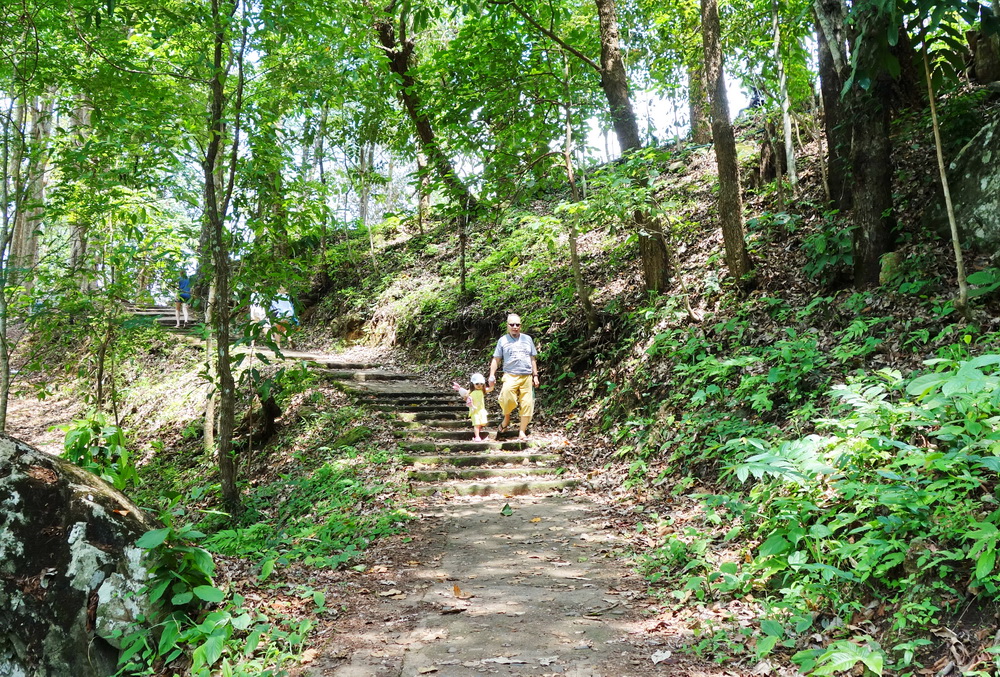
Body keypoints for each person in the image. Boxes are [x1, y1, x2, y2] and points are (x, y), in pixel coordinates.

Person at [487, 313, 539, 440]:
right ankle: (506, 419)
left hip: (526, 376)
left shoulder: (527, 339)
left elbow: (532, 358)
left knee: (527, 404)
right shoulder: (503, 340)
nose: (515, 327)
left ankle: (522, 431)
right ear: (508, 326)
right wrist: (491, 375)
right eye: (512, 324)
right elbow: (496, 359)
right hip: (510, 375)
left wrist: (535, 375)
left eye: (517, 324)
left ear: (521, 326)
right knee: (507, 398)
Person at [452, 373, 494, 441]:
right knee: (476, 424)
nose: (479, 385)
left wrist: (492, 383)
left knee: (481, 423)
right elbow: (465, 397)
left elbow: (491, 389)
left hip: (481, 410)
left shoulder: (482, 391)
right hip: (474, 411)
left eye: (481, 384)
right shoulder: (470, 391)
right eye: (477, 384)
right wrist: (467, 397)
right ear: (473, 384)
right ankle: (477, 436)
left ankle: (479, 435)